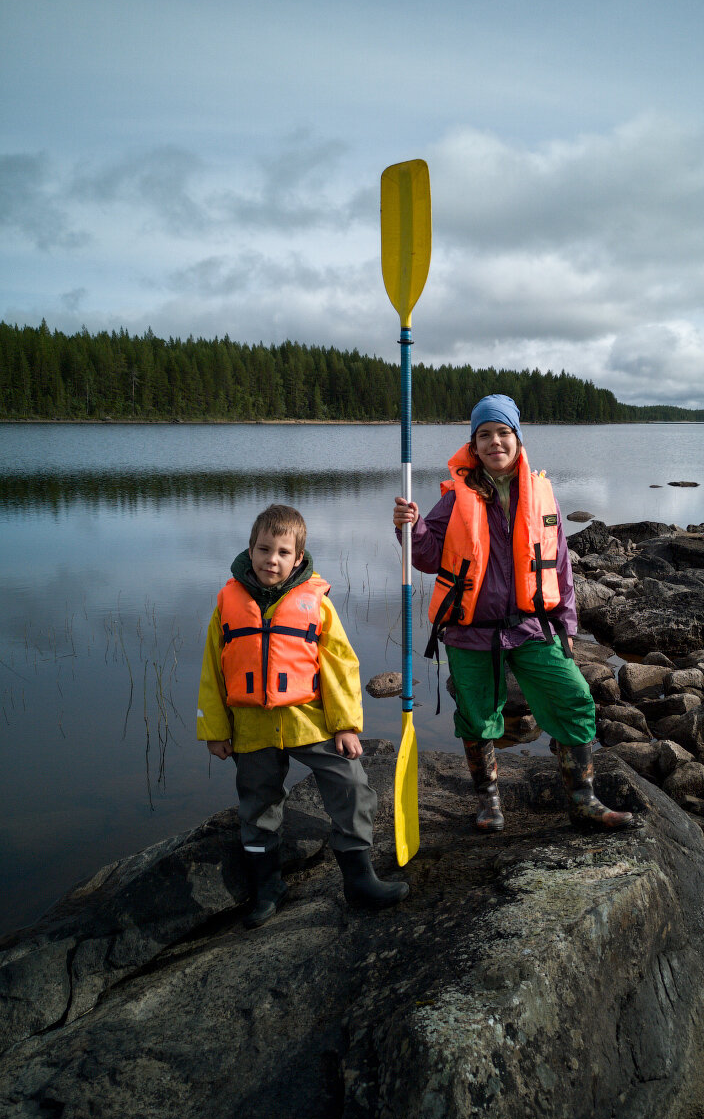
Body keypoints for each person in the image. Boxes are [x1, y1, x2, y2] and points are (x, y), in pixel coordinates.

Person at [393, 394, 640, 835]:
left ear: (518, 439)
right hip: (470, 631)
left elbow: (560, 563)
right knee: (476, 714)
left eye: (503, 433)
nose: (494, 442)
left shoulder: (542, 494)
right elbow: (428, 558)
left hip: (532, 627)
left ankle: (583, 801)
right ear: (474, 445)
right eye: (484, 435)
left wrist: (567, 624)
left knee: (574, 698)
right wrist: (410, 528)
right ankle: (488, 801)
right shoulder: (455, 498)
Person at [197, 503, 408, 926]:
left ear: (298, 557)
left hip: (309, 720)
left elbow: (340, 665)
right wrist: (215, 731)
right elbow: (212, 671)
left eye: (282, 553)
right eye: (263, 550)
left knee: (349, 782)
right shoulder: (228, 603)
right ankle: (267, 887)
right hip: (252, 727)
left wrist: (346, 725)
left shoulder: (315, 602)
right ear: (250, 549)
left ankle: (359, 878)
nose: (271, 560)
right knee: (257, 804)